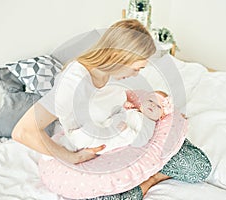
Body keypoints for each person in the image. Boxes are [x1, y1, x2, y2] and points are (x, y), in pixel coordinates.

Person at [12, 19, 211, 199]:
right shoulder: (73, 83)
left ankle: (149, 176)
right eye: (137, 69)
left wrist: (167, 119)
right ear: (119, 57)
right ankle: (148, 181)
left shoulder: (113, 73)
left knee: (198, 167)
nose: (136, 75)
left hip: (127, 135)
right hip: (99, 149)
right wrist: (73, 157)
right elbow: (22, 132)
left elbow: (131, 101)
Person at [49, 89, 173, 155]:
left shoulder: (149, 124)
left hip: (110, 139)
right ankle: (62, 142)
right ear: (143, 102)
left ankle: (62, 148)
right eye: (151, 100)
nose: (152, 105)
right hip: (105, 126)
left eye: (158, 106)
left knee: (88, 133)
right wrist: (124, 108)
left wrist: (126, 131)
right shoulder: (135, 111)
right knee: (87, 126)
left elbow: (140, 141)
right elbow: (117, 115)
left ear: (161, 116)